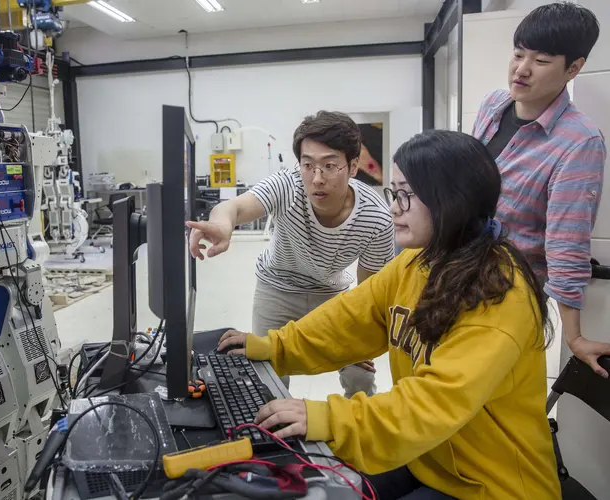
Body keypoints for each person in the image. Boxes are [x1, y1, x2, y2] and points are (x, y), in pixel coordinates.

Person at [217, 130, 560, 499]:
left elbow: (432, 403)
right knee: (314, 487)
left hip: (490, 482)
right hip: (428, 456)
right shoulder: (417, 262)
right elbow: (348, 318)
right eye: (393, 192)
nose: (394, 207)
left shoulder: (498, 295)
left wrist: (326, 417)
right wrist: (272, 346)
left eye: (407, 195)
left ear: (452, 201)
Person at [188, 111, 395, 396]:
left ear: (353, 166)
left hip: (330, 294)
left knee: (360, 372)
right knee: (267, 374)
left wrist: (361, 341)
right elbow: (233, 207)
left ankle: (360, 431)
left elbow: (371, 291)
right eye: (308, 165)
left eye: (330, 165)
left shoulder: (376, 219)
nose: (317, 178)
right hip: (277, 287)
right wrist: (221, 224)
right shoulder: (288, 185)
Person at [472, 2, 610, 377]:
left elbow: (567, 241)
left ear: (574, 68)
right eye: (518, 54)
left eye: (542, 61)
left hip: (506, 296)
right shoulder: (493, 105)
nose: (522, 69)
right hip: (455, 275)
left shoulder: (580, 141)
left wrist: (575, 337)